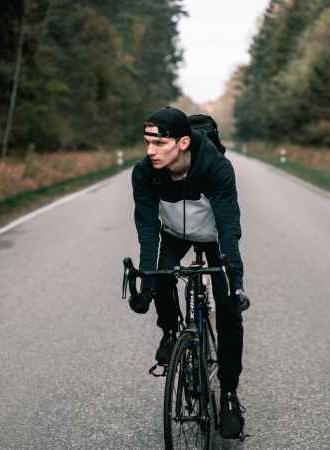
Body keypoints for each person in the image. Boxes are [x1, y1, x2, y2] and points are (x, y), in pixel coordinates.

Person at [129, 105, 250, 439]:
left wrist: (236, 283)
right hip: (174, 234)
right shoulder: (144, 173)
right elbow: (147, 231)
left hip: (214, 237)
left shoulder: (216, 168)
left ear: (183, 143)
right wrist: (146, 286)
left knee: (228, 311)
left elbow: (229, 228)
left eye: (159, 143)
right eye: (147, 143)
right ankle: (171, 332)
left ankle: (228, 394)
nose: (150, 151)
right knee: (161, 276)